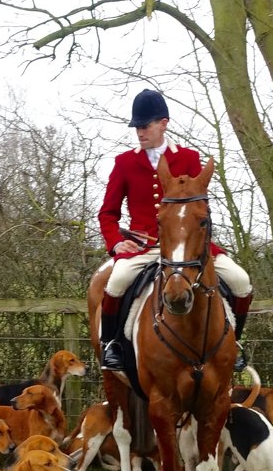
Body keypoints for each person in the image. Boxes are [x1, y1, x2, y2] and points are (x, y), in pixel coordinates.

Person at [96, 89, 253, 372]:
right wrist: (117, 243)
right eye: (137, 128)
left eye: (145, 126)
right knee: (117, 281)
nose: (140, 133)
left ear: (163, 123)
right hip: (144, 247)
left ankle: (235, 343)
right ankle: (113, 344)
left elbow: (197, 210)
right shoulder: (125, 163)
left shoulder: (190, 159)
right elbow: (108, 213)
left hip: (189, 247)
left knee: (241, 281)